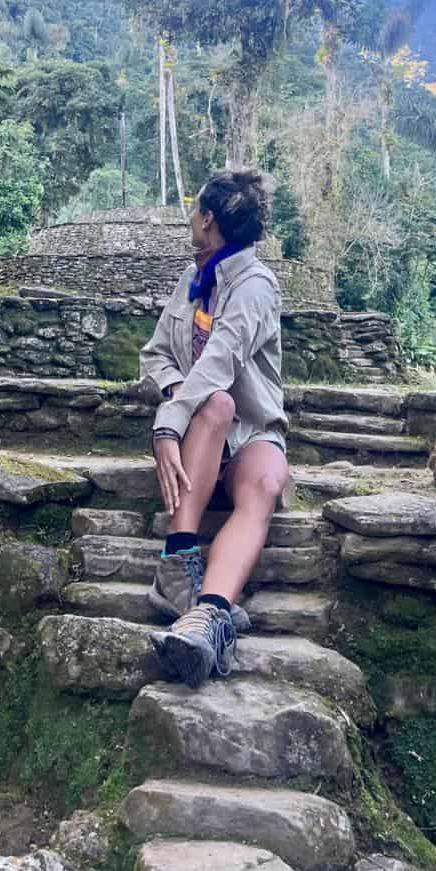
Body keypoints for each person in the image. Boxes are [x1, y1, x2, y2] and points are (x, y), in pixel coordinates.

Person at [140, 169, 289, 688]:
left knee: (267, 481)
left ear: (207, 219)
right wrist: (173, 399)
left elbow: (219, 362)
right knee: (215, 404)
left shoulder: (254, 287)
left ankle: (208, 617)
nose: (189, 216)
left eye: (193, 209)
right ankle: (179, 560)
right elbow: (156, 354)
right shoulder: (192, 280)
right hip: (203, 429)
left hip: (252, 430)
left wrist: (167, 423)